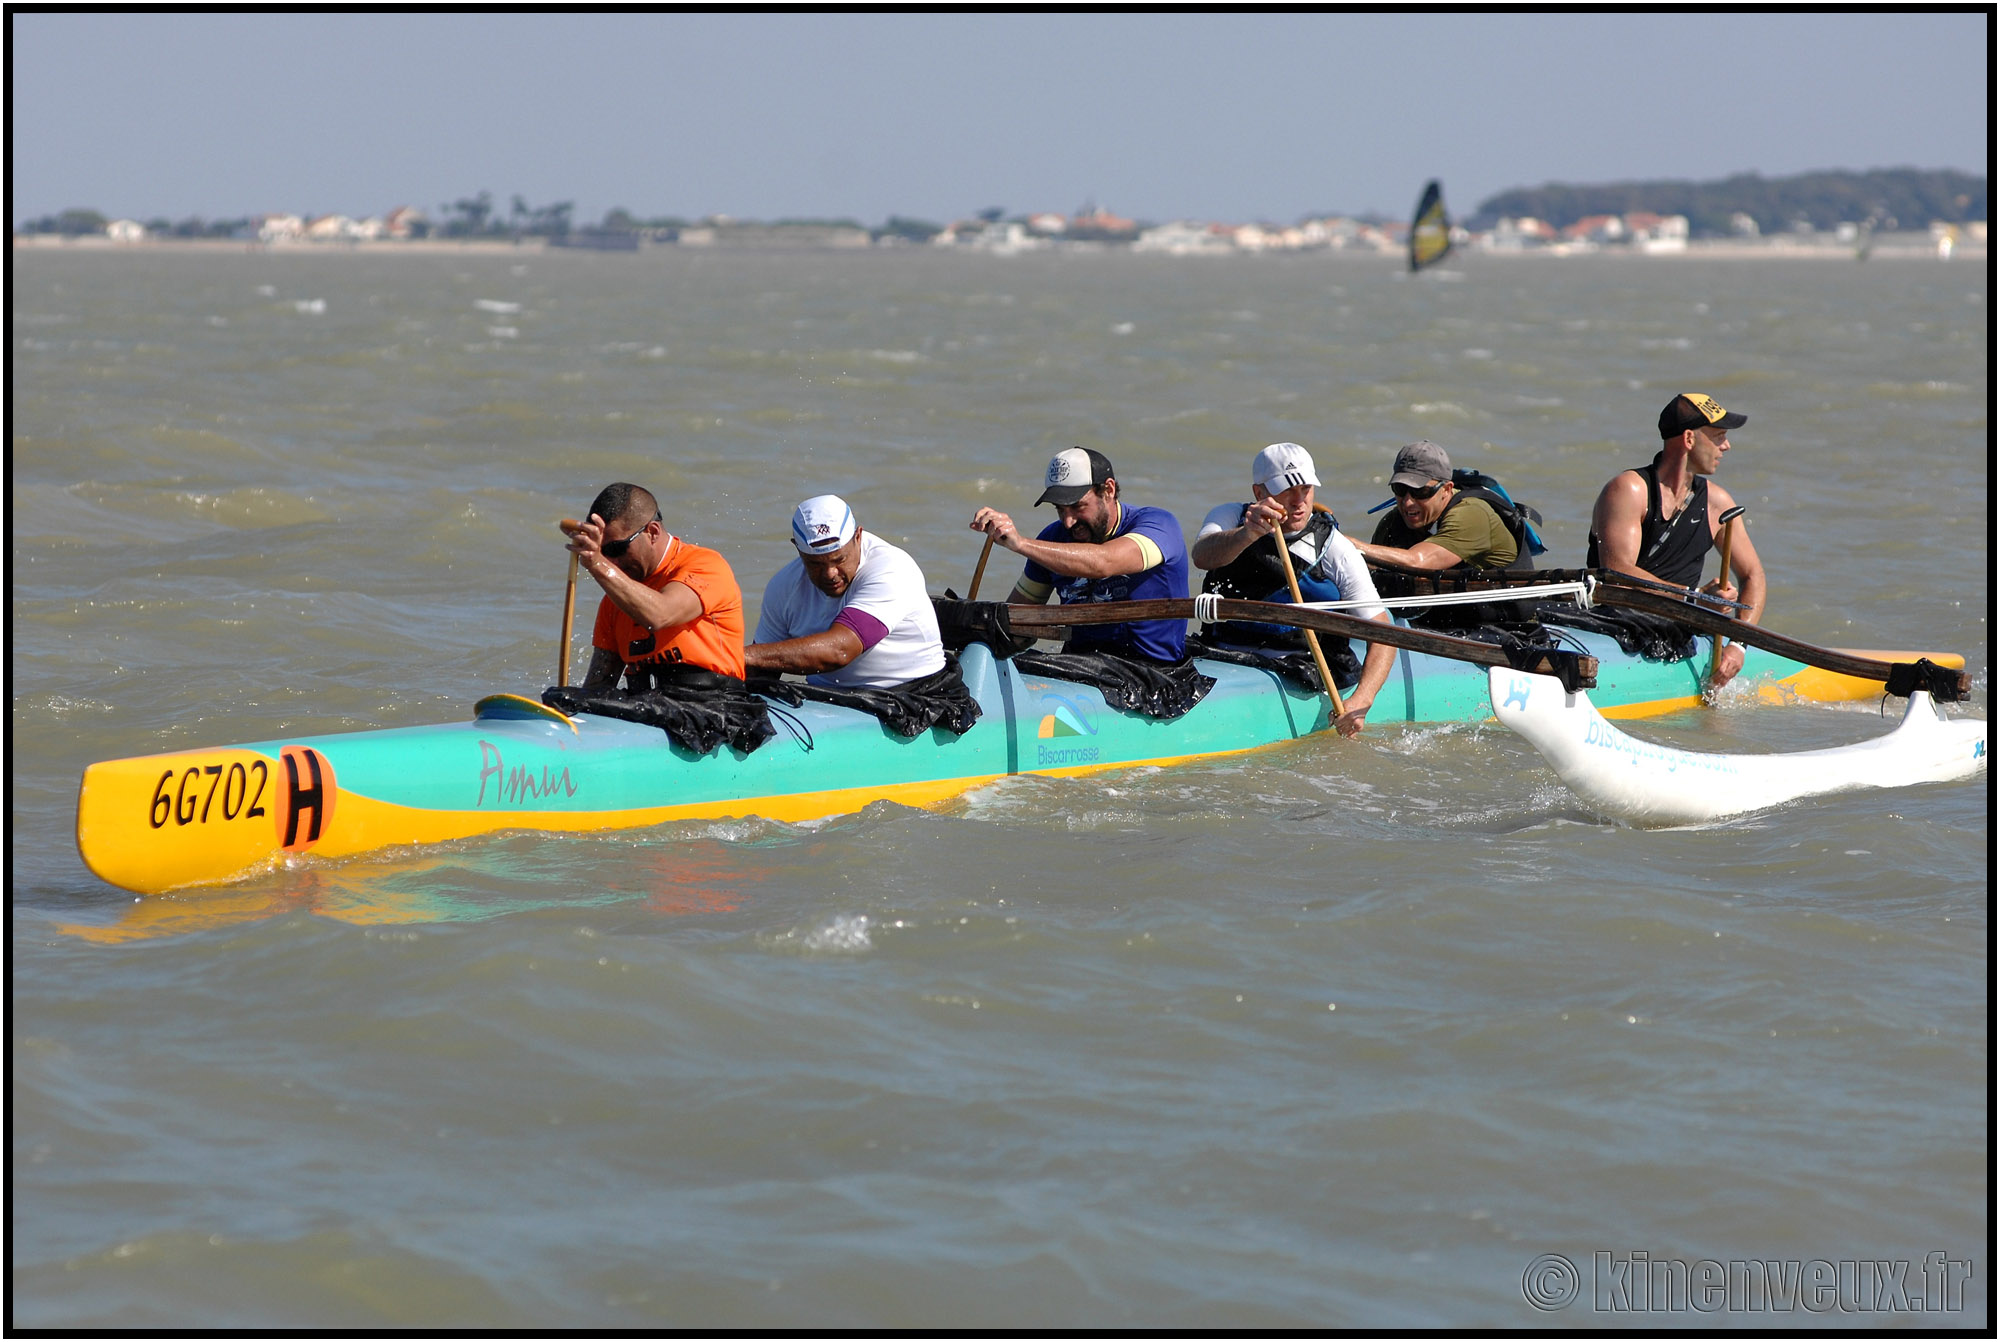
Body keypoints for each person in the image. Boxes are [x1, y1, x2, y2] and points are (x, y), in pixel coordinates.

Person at [1190, 442, 1399, 738]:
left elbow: (1383, 633)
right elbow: (1202, 556)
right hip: (1224, 653)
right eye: (1287, 490)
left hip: (1301, 666)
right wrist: (1246, 535)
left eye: (1306, 489)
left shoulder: (1333, 547)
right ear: (1259, 493)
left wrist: (1362, 700)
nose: (1299, 501)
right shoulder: (1230, 517)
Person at [1587, 393, 1766, 685]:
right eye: (1719, 436)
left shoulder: (1718, 505)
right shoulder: (1630, 490)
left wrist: (1738, 644)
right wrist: (1693, 598)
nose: (1727, 446)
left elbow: (1752, 575)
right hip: (1618, 621)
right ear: (1689, 439)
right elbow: (1617, 571)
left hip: (1683, 633)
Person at [969, 446, 1189, 662]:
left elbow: (1104, 562)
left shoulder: (1159, 525)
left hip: (1154, 671)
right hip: (1079, 666)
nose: (1068, 521)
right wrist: (974, 636)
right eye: (1060, 509)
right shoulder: (1052, 538)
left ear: (1108, 490)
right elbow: (1015, 625)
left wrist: (1020, 544)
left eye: (1077, 506)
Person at [746, 495, 947, 688]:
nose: (830, 574)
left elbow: (840, 651)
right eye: (815, 563)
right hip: (827, 697)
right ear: (798, 550)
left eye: (839, 559)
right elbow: (759, 670)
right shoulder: (783, 585)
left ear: (858, 537)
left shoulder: (892, 569)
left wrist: (738, 655)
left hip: (915, 692)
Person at [566, 482, 745, 689]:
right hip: (648, 707)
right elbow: (597, 687)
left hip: (715, 704)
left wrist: (597, 563)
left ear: (652, 532)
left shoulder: (706, 566)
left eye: (616, 548)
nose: (611, 563)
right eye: (603, 552)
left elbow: (659, 615)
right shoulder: (614, 602)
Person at [1350, 439, 1520, 572]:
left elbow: (1417, 562)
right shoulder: (1394, 522)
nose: (1408, 502)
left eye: (1420, 492)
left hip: (1503, 613)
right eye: (1400, 489)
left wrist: (1347, 544)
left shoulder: (1472, 515)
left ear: (1446, 489)